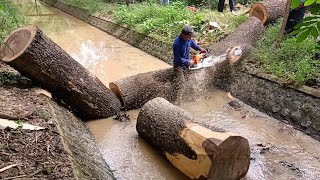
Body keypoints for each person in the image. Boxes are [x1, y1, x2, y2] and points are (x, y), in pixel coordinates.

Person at [172, 25, 206, 105]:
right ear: (185, 35)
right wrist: (189, 62)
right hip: (179, 65)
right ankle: (178, 102)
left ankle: (188, 96)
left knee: (189, 78)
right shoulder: (177, 44)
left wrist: (200, 49)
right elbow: (178, 59)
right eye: (190, 36)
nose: (191, 37)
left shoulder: (188, 39)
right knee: (181, 83)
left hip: (187, 63)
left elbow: (193, 44)